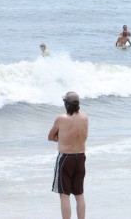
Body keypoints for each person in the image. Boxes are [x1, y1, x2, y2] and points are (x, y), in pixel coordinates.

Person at [48, 91, 88, 219]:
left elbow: (50, 137)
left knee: (64, 195)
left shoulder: (61, 118)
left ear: (66, 104)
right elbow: (82, 136)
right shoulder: (85, 117)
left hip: (66, 158)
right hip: (81, 157)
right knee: (79, 194)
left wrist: (60, 139)